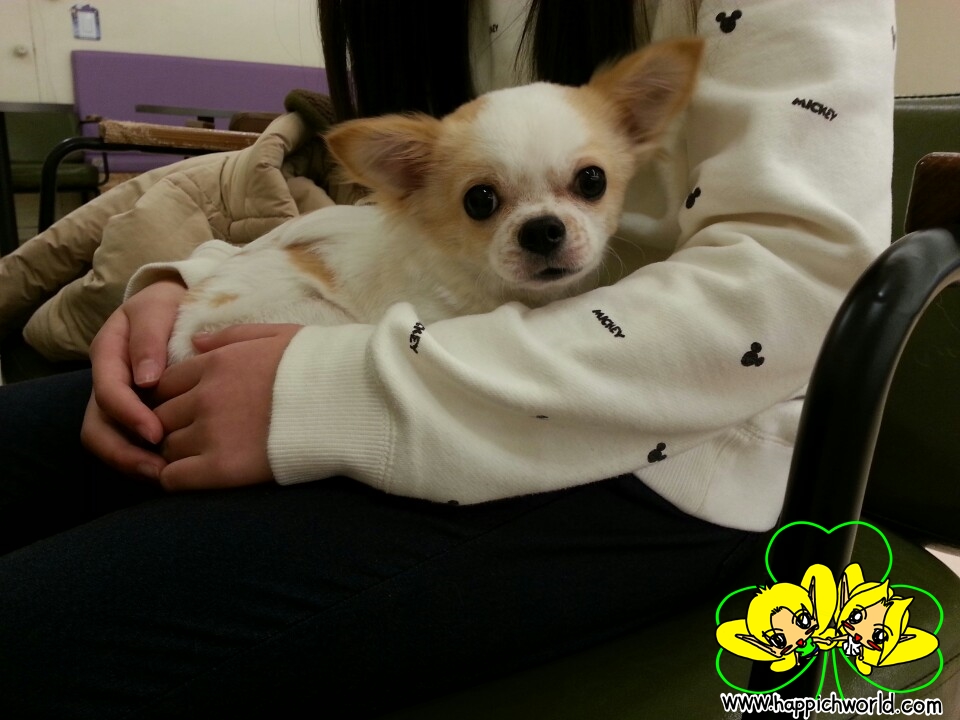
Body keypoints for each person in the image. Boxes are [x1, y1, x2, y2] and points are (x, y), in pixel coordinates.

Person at [0, 0, 896, 716]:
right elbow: (402, 238)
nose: (545, 220)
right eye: (486, 200)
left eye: (586, 184)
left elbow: (800, 284)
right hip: (425, 362)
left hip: (682, 452)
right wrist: (187, 283)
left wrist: (322, 394)